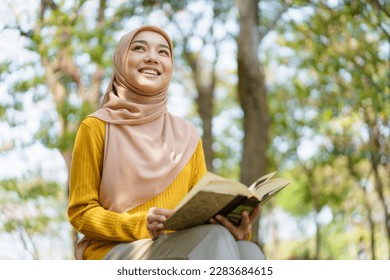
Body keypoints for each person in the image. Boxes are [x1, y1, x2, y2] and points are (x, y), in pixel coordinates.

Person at [67, 25, 265, 260]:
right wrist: (141, 224)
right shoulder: (96, 127)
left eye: (163, 52)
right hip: (115, 252)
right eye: (140, 48)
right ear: (121, 60)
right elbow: (81, 213)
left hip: (184, 246)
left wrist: (232, 226)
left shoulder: (188, 135)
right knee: (212, 237)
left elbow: (200, 211)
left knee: (248, 251)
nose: (152, 58)